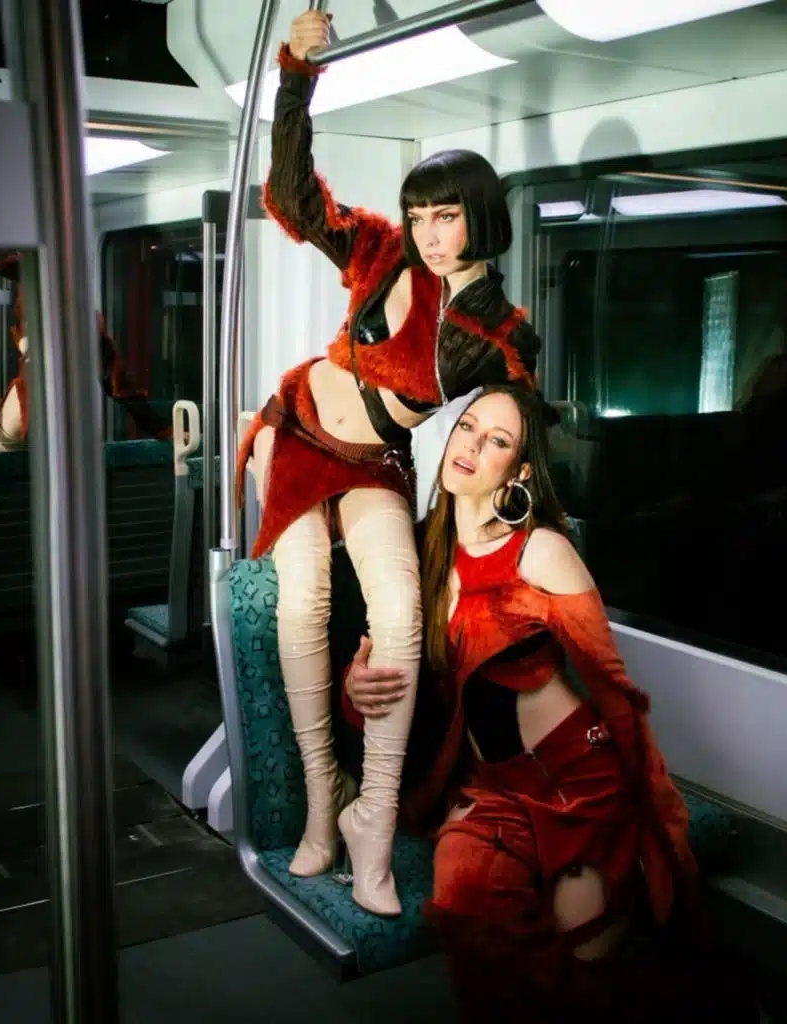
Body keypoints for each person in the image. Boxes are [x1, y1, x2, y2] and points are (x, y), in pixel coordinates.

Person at [237, 10, 540, 917]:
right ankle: (323, 797)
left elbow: (516, 433)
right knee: (302, 601)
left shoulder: (498, 331)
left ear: (480, 217)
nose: (430, 233)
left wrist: (507, 528)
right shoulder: (377, 252)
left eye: (446, 216)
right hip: (297, 431)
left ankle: (371, 817)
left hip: (374, 459)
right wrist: (297, 75)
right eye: (420, 215)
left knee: (401, 615)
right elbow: (291, 197)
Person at [342, 385, 755, 1020]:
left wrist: (656, 815)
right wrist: (356, 685)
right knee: (467, 912)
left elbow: (611, 686)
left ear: (520, 471)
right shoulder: (417, 557)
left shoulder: (541, 551)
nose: (472, 446)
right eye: (468, 428)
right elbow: (392, 688)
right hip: (492, 790)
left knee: (582, 972)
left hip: (578, 784)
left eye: (498, 441)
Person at [0, 251, 171, 453]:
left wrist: (164, 430)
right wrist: (162, 430)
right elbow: (121, 386)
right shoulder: (84, 319)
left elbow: (122, 386)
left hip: (43, 407)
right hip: (53, 410)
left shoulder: (75, 316)